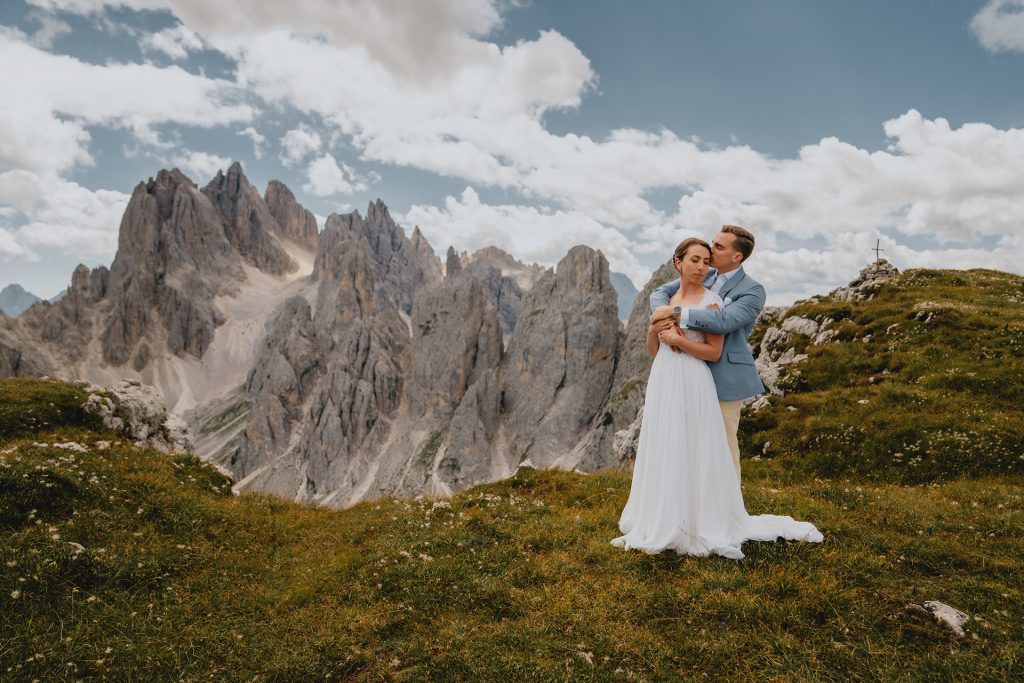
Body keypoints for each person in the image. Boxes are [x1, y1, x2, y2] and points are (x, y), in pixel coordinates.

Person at [610, 237, 822, 559]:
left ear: (736, 256)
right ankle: (664, 514)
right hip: (665, 379)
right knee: (667, 442)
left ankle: (709, 516)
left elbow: (715, 345)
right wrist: (657, 331)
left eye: (708, 257)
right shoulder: (670, 293)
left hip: (698, 378)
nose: (702, 264)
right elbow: (655, 348)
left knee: (709, 448)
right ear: (678, 262)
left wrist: (674, 332)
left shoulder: (730, 295)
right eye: (695, 259)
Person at [648, 225, 764, 481]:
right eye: (713, 243)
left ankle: (728, 510)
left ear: (737, 257)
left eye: (719, 247)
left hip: (724, 375)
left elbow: (723, 321)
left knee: (722, 447)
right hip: (687, 373)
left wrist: (677, 314)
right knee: (689, 446)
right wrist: (664, 319)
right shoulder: (704, 273)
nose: (711, 250)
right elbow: (660, 293)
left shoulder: (753, 290)